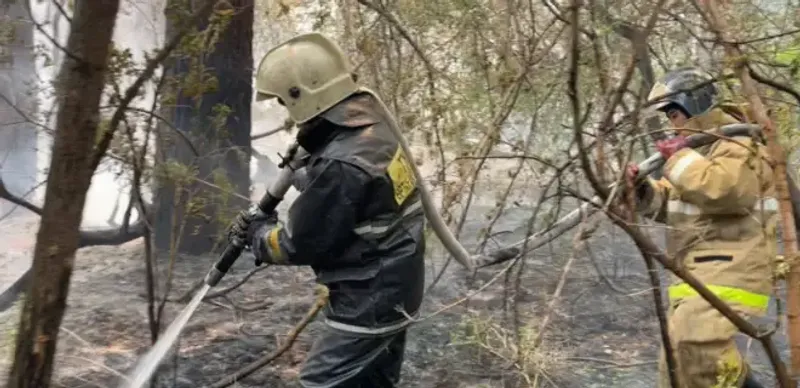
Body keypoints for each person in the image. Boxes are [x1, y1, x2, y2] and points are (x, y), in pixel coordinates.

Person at [229, 32, 425, 387]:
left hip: (368, 303)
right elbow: (357, 198)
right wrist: (307, 176)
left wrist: (256, 235)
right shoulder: (372, 126)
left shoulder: (341, 163)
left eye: (285, 102)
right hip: (397, 288)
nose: (286, 112)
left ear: (303, 96)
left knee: (319, 382)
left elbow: (298, 243)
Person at [626, 67, 776, 388]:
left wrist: (679, 159)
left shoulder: (741, 144)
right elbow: (674, 207)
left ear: (694, 107)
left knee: (701, 349)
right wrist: (640, 189)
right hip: (697, 274)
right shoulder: (700, 152)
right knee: (680, 364)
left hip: (732, 271)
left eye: (674, 114)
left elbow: (726, 191)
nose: (672, 124)